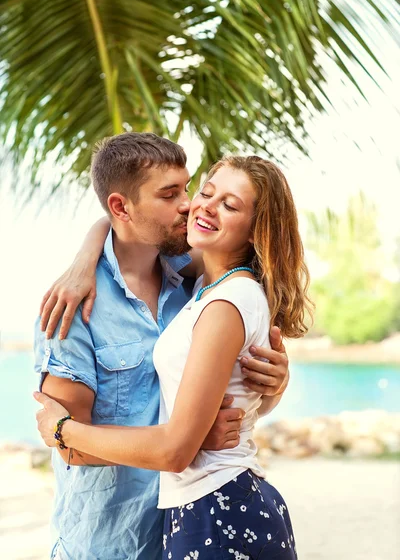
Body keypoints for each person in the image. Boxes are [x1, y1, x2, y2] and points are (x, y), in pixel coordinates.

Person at [36, 150, 312, 559]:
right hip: (109, 541)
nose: (189, 204)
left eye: (187, 189)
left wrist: (271, 387)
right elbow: (70, 447)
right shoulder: (75, 305)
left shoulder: (195, 284)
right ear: (120, 207)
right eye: (172, 195)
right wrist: (84, 260)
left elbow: (224, 406)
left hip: (194, 515)